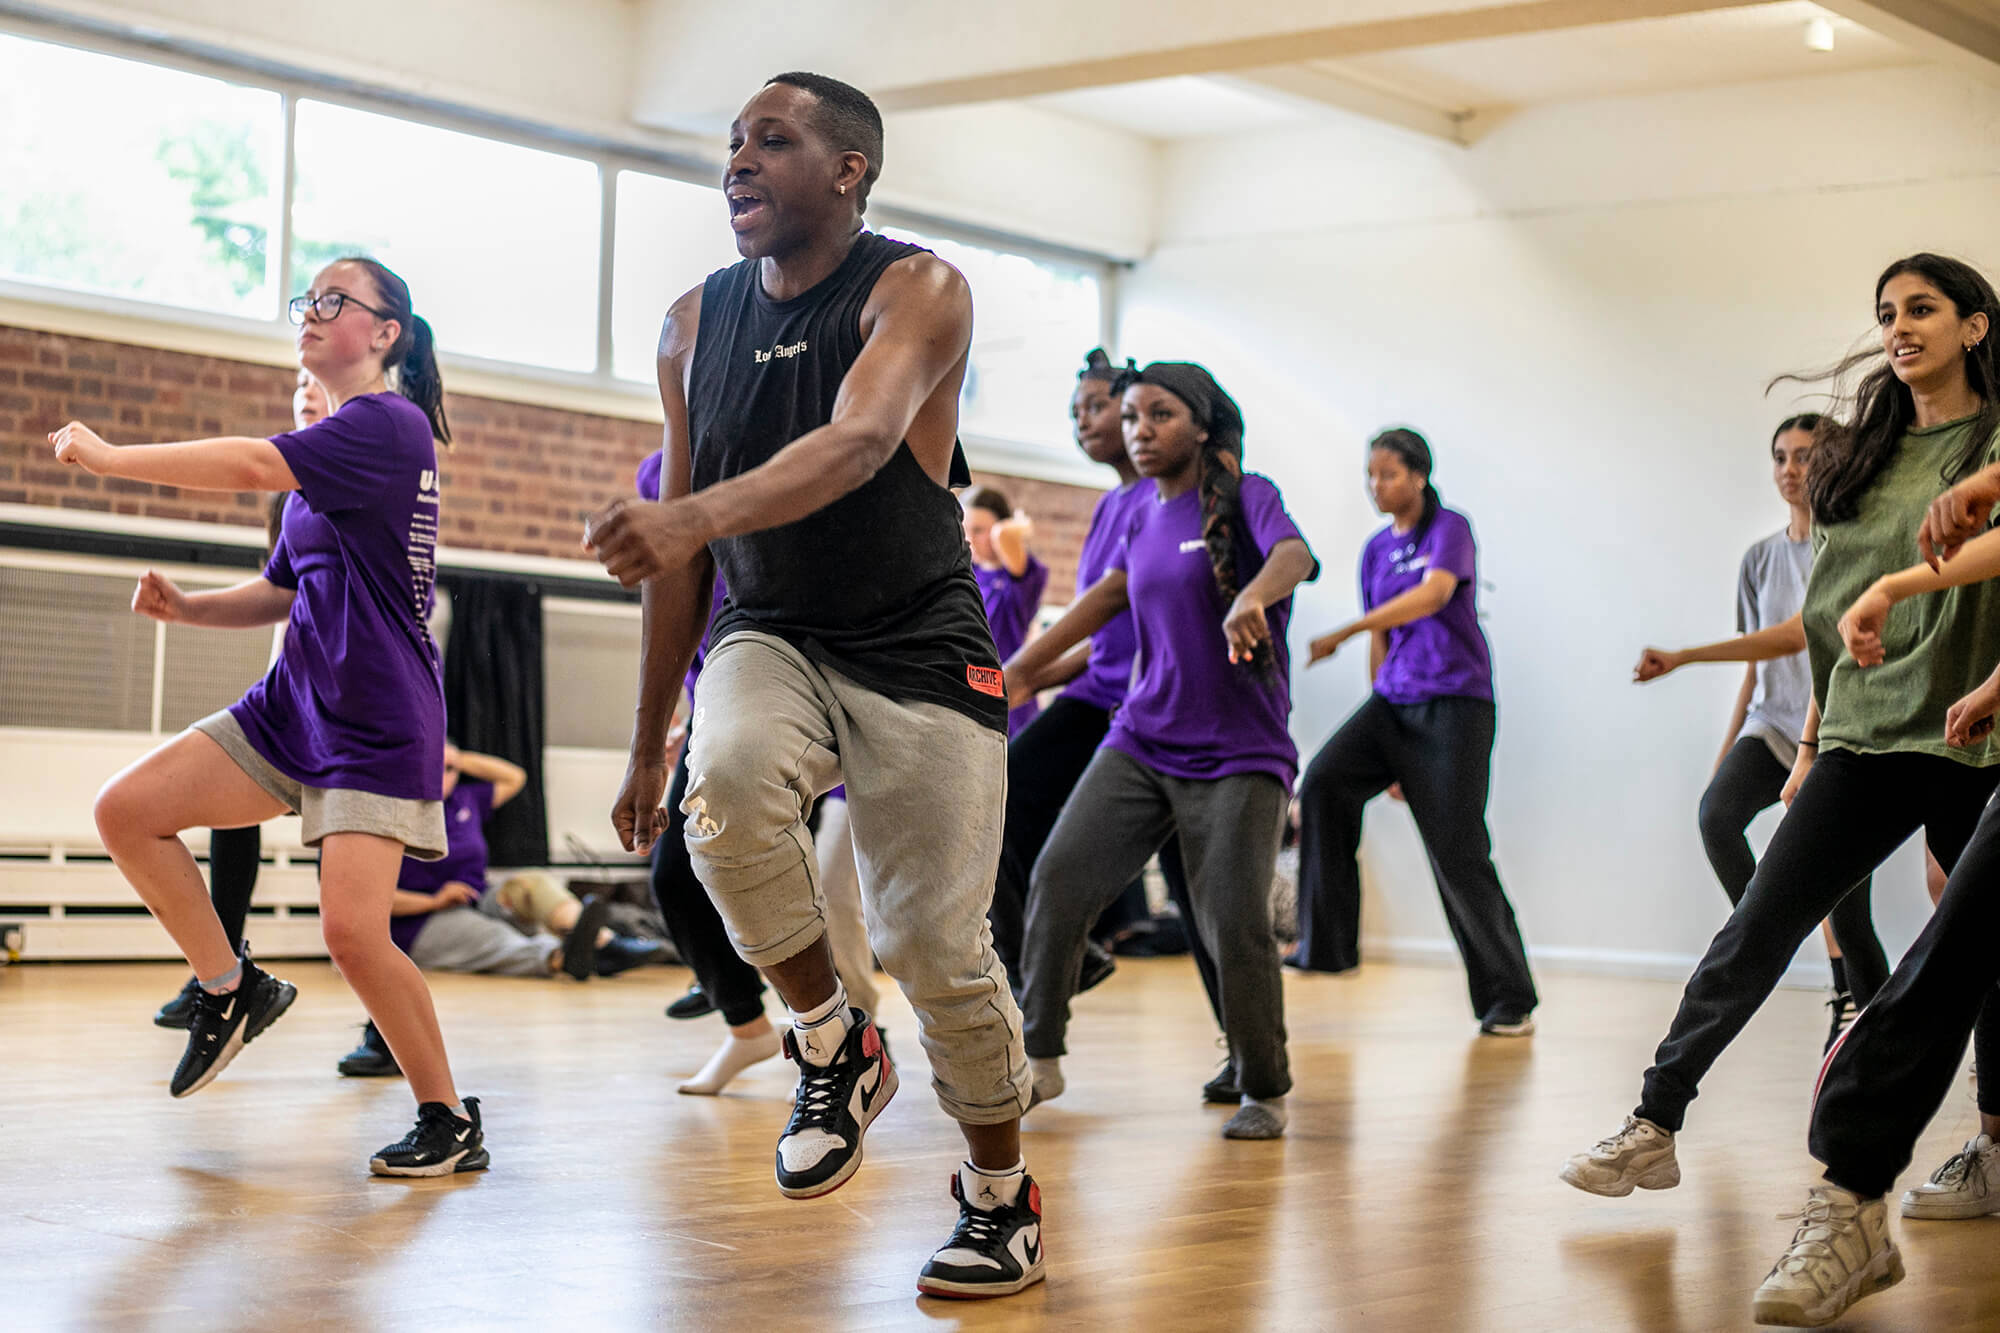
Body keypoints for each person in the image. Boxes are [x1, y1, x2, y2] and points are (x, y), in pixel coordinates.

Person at [585, 73, 1041, 1297]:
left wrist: (687, 517)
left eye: (772, 142)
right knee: (719, 794)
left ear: (848, 171)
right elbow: (679, 565)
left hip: (918, 641)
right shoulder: (690, 323)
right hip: (770, 625)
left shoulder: (918, 287)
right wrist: (644, 747)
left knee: (933, 946)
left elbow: (856, 444)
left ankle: (998, 1193)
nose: (738, 161)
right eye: (731, 142)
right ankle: (829, 1040)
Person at [1562, 255, 2000, 1244]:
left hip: (1975, 739)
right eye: (1885, 311)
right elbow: (1822, 616)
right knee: (1756, 925)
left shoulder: (1993, 445)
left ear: (1972, 327)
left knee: (1981, 948)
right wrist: (1805, 740)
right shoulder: (1861, 461)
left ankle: (1988, 1145)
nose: (1896, 325)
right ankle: (1652, 1118)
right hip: (1863, 733)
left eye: (1920, 308)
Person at [54, 257, 488, 1176]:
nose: (311, 313)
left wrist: (111, 457)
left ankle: (449, 1116)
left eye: (334, 301)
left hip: (376, 714)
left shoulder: (387, 425)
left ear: (384, 335)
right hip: (294, 705)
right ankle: (231, 984)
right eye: (307, 300)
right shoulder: (325, 467)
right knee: (125, 810)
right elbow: (281, 591)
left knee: (352, 934)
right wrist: (188, 609)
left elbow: (253, 457)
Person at [1004, 362, 1318, 1141]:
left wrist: (1250, 597)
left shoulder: (1250, 496)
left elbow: (1297, 556)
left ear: (1202, 426)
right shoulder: (1141, 510)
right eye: (1134, 416)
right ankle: (1038, 1054)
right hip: (1142, 738)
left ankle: (1263, 1085)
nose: (1141, 431)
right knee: (1059, 877)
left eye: (1160, 415)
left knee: (1234, 918)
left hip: (1242, 752)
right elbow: (1104, 599)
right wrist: (1011, 674)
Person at [985, 348, 1226, 1099]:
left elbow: (1119, 626)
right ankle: (1062, 958)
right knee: (1002, 802)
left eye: (1102, 408)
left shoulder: (1166, 505)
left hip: (1140, 708)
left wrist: (1023, 671)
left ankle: (1243, 1048)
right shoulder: (1110, 508)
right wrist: (1016, 678)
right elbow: (1101, 636)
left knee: (1201, 890)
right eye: (1084, 412)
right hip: (1100, 699)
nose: (1090, 423)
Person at [1630, 415, 1890, 1051]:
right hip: (1773, 726)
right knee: (1717, 816)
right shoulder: (1759, 559)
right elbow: (1759, 662)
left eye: (1804, 456)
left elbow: (1804, 632)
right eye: (1780, 457)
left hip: (1838, 732)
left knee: (1849, 913)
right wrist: (1727, 752)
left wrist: (1688, 655)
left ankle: (1870, 1014)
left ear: (1832, 463)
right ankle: (1771, 931)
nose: (1790, 469)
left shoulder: (1850, 542)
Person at [632, 452, 882, 1097]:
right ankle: (751, 1027)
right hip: (729, 705)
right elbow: (686, 622)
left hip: (823, 692)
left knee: (844, 889)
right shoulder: (662, 476)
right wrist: (675, 725)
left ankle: (853, 1025)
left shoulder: (784, 467)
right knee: (679, 875)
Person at [1293, 428, 1539, 1036]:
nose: (1378, 486)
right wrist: (1387, 742)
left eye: (1390, 474)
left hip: (1456, 706)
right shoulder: (1375, 550)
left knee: (1457, 853)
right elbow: (1384, 638)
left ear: (1418, 475)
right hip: (1394, 703)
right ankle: (1325, 946)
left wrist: (1345, 630)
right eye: (1371, 476)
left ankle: (1510, 999)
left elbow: (1431, 597)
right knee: (1323, 782)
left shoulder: (1449, 528)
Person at [154, 369, 330, 1029]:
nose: (304, 388)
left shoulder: (374, 463)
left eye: (316, 380)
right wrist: (189, 607)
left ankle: (380, 1024)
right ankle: (222, 973)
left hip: (359, 682)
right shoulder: (288, 493)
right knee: (230, 808)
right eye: (298, 381)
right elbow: (279, 589)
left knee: (349, 861)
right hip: (295, 665)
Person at [963, 486, 1049, 737]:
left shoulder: (1023, 575)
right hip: (967, 695)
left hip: (1008, 699)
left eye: (979, 530)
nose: (969, 539)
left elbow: (1005, 536)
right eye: (965, 529)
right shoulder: (965, 574)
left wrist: (1016, 527)